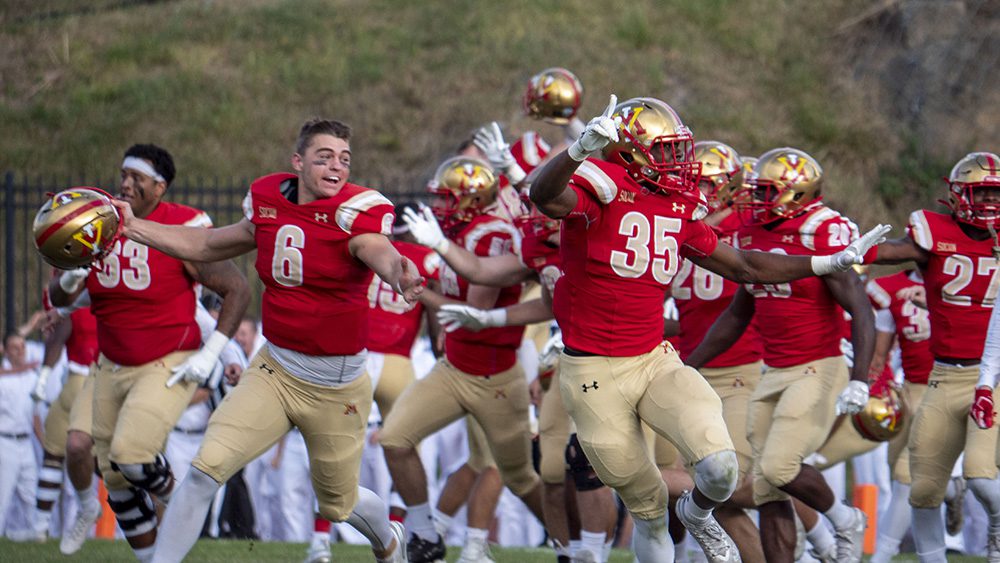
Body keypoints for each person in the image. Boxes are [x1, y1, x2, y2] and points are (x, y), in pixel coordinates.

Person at [528, 95, 888, 562]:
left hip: (654, 359)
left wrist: (824, 262)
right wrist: (577, 152)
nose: (679, 162)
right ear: (631, 153)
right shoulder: (604, 183)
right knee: (650, 510)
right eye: (667, 151)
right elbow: (544, 196)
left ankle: (698, 515)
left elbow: (743, 266)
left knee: (719, 469)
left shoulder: (678, 203)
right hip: (592, 374)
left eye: (679, 150)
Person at [113, 119, 423, 563]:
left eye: (344, 159)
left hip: (336, 386)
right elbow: (208, 244)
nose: (337, 166)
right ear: (298, 162)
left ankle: (389, 539)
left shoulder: (358, 210)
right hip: (275, 369)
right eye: (324, 157)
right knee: (205, 470)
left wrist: (398, 271)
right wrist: (133, 228)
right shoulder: (268, 199)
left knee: (340, 504)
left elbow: (377, 249)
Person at [48, 144, 251, 562]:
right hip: (109, 363)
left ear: (160, 187)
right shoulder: (98, 222)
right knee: (112, 475)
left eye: (136, 177)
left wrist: (216, 353)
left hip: (167, 357)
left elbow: (237, 289)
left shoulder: (183, 225)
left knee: (130, 455)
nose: (125, 183)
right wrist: (73, 277)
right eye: (123, 173)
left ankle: (183, 503)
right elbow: (62, 300)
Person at [687, 147, 877, 562]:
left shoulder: (821, 229)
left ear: (798, 193)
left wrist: (860, 377)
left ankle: (845, 520)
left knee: (778, 468)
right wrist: (690, 365)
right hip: (772, 370)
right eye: (757, 190)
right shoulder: (752, 231)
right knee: (769, 490)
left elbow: (861, 309)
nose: (757, 200)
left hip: (818, 367)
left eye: (769, 191)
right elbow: (739, 312)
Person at [379, 155, 547, 563]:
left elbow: (472, 314)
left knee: (519, 477)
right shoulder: (462, 229)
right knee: (394, 439)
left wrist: (421, 290)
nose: (439, 209)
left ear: (471, 202)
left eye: (447, 200)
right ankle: (425, 533)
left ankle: (571, 544)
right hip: (454, 368)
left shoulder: (493, 235)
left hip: (495, 378)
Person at [868, 151, 1000, 562]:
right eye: (982, 195)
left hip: (993, 375)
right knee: (922, 491)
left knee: (980, 476)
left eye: (996, 195)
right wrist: (858, 250)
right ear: (959, 196)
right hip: (943, 377)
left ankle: (996, 531)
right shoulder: (932, 234)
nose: (990, 205)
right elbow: (893, 252)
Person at [31, 283, 99, 546]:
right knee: (55, 452)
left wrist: (43, 376)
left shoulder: (95, 287)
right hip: (78, 378)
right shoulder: (71, 290)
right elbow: (61, 327)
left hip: (93, 378)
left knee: (108, 462)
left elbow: (61, 331)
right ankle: (39, 528)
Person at [0, 331, 43, 537]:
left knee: (32, 495)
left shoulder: (31, 377)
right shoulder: (3, 376)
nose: (21, 352)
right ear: (6, 351)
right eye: (15, 348)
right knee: (3, 498)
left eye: (23, 347)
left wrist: (45, 445)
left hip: (25, 443)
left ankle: (34, 538)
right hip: (5, 441)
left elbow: (34, 415)